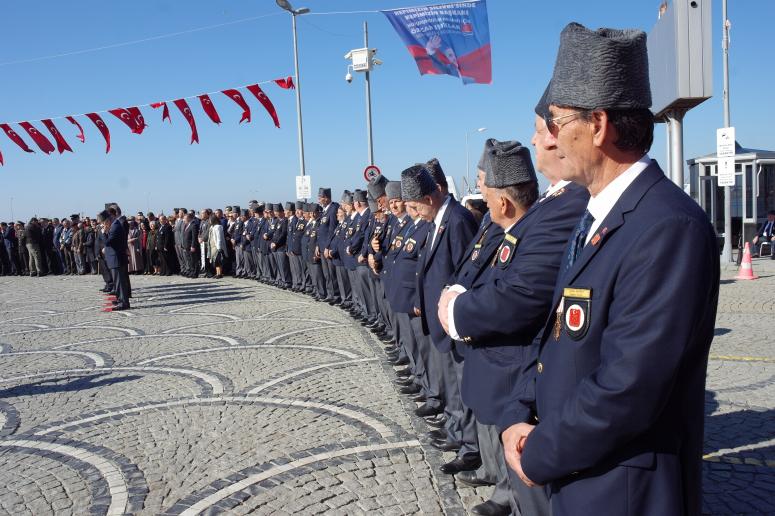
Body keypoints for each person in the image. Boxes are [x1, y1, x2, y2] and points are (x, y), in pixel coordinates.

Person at [507, 23, 720, 516]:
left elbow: (630, 386)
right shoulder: (598, 212)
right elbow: (557, 333)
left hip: (623, 487)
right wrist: (524, 411)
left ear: (598, 125)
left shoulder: (667, 226)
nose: (552, 139)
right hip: (582, 467)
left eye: (556, 123)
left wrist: (539, 453)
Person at [402, 163, 479, 476]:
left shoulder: (457, 220)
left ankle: (470, 447)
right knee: (450, 384)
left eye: (414, 206)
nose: (414, 213)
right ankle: (457, 433)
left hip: (453, 323)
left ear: (429, 198)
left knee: (461, 388)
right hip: (440, 319)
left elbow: (465, 273)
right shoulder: (438, 219)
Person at [101, 209, 130, 310]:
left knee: (120, 283)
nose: (104, 225)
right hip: (115, 259)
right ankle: (120, 299)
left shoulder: (116, 226)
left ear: (108, 220)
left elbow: (108, 242)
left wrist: (103, 233)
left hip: (117, 259)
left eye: (104, 222)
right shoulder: (114, 225)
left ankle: (124, 303)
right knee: (118, 282)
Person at [208, 213, 227, 278]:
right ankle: (217, 273)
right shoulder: (212, 227)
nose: (209, 221)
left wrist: (219, 247)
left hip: (216, 246)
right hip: (212, 246)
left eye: (210, 219)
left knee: (218, 260)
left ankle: (219, 273)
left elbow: (219, 238)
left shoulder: (218, 227)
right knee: (214, 260)